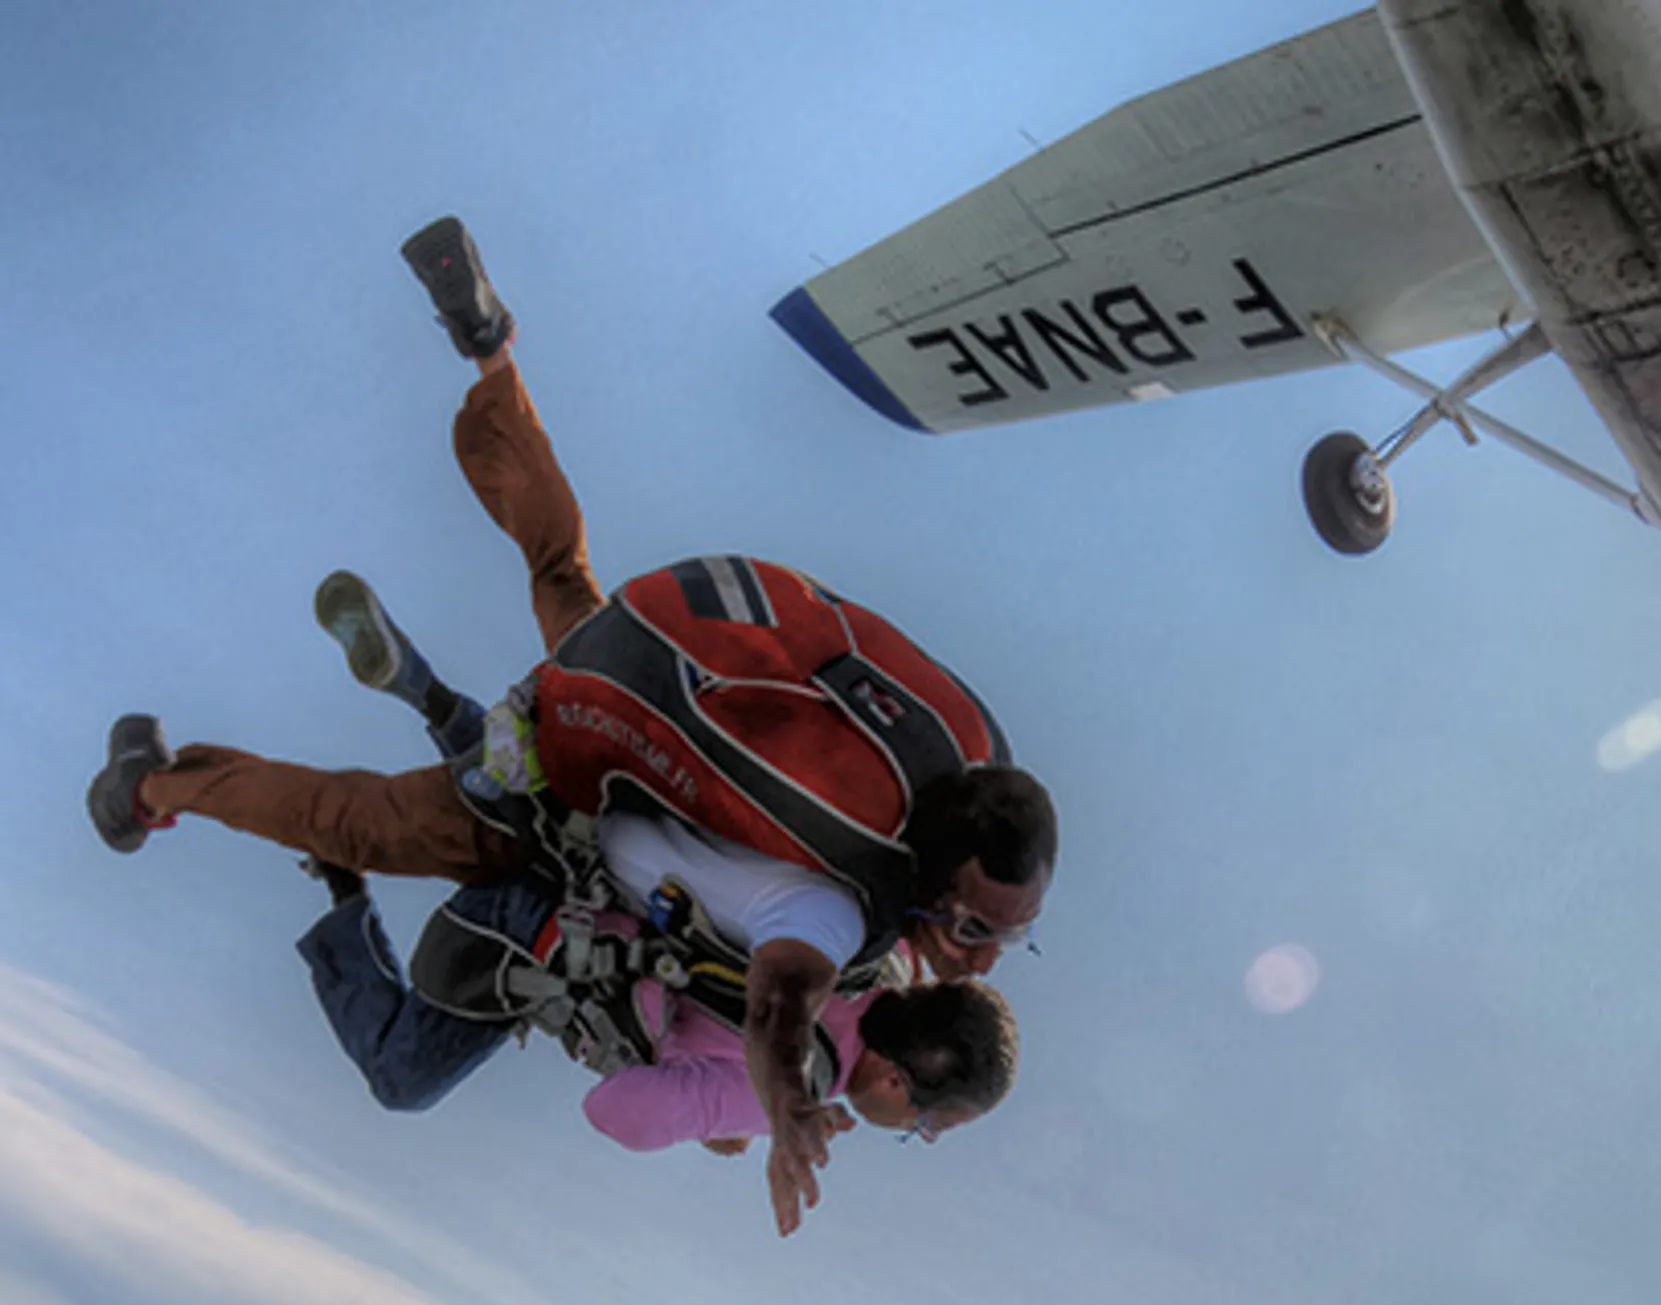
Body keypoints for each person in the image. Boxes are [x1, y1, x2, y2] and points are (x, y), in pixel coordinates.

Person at [90, 218, 1057, 1232]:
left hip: (637, 700)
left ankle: (490, 354)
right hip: (570, 800)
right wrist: (771, 1103)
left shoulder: (899, 870)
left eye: (998, 944)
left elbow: (778, 991)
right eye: (979, 930)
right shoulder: (849, 925)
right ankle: (151, 782)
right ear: (900, 1084)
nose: (978, 955)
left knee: (564, 581)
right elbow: (767, 1004)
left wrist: (766, 1097)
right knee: (354, 821)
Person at [296, 578, 1019, 1153]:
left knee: (517, 800)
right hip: (531, 936)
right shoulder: (800, 1080)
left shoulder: (876, 943)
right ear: (896, 1081)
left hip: (596, 840)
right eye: (924, 1127)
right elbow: (616, 1113)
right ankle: (342, 882)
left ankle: (430, 692)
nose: (908, 1132)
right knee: (401, 1080)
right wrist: (747, 1114)